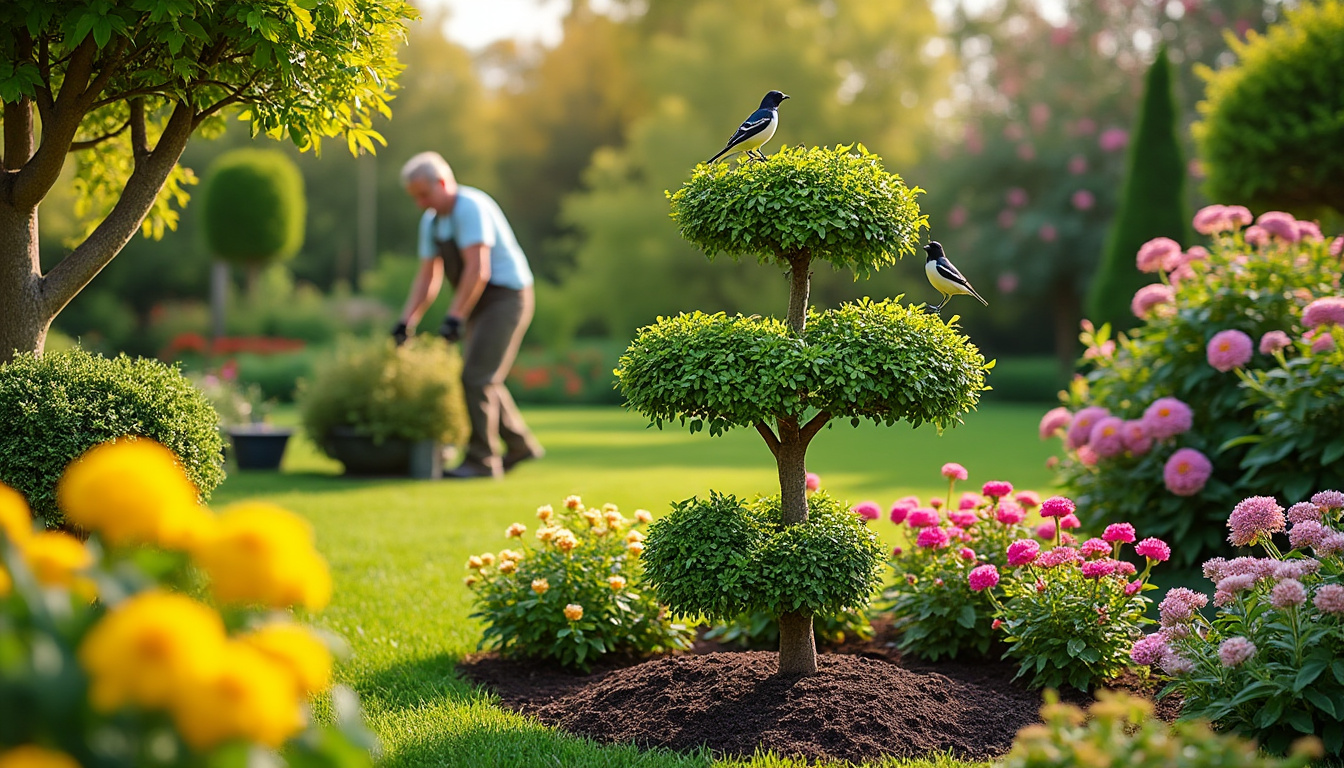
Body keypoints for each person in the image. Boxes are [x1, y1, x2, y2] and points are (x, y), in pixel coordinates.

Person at [393, 151, 544, 478]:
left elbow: (478, 269)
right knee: (483, 376)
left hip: (506, 297)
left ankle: (482, 461)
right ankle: (520, 445)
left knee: (476, 377)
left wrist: (454, 317)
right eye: (415, 197)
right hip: (478, 301)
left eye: (424, 195)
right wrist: (406, 321)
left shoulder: (470, 207)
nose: (420, 203)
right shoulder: (432, 222)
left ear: (442, 182)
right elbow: (427, 277)